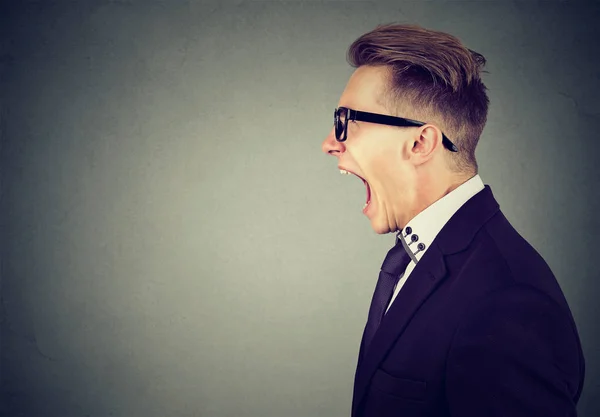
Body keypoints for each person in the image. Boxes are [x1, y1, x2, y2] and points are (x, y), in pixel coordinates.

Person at [321, 23, 585, 417]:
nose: (330, 142)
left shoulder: (507, 301)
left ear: (420, 143)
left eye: (346, 120)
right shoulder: (421, 258)